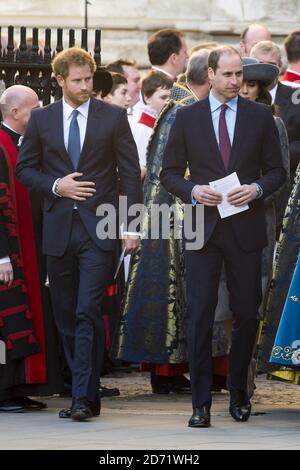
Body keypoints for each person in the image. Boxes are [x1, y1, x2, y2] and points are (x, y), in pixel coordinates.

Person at [160, 45, 286, 427]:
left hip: (245, 228)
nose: (236, 82)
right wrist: (193, 191)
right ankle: (200, 404)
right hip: (202, 226)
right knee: (199, 315)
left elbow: (277, 171)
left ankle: (239, 393)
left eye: (240, 76)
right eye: (228, 74)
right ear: (210, 74)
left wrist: (257, 190)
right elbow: (167, 173)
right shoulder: (187, 117)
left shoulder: (261, 117)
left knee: (247, 314)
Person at [16, 47, 143, 421]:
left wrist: (131, 226)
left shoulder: (114, 117)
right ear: (60, 81)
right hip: (58, 229)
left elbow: (130, 174)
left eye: (89, 79)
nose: (86, 86)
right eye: (77, 81)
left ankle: (83, 399)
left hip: (99, 229)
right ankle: (82, 391)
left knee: (88, 309)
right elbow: (25, 171)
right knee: (66, 315)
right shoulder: (41, 120)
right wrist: (57, 186)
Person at [114, 49, 228, 395]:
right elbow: (168, 172)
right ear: (209, 76)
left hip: (190, 213)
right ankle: (168, 371)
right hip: (175, 218)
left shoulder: (187, 107)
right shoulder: (180, 110)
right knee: (175, 293)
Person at [0, 85, 63, 412]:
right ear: (14, 113)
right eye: (34, 108)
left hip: (29, 247)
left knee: (25, 321)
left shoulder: (27, 143)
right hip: (7, 252)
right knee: (5, 324)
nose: (40, 112)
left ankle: (20, 387)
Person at [131, 71, 173, 180]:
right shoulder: (142, 128)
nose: (168, 102)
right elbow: (140, 171)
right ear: (147, 98)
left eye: (170, 97)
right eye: (163, 97)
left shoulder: (162, 124)